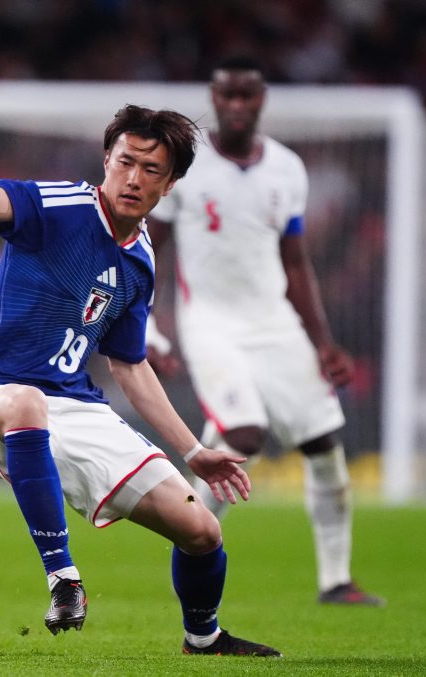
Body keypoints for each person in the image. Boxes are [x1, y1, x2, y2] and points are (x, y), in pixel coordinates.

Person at [0, 104, 281, 656]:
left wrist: (194, 451)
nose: (134, 178)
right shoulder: (63, 207)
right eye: (126, 162)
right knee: (27, 402)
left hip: (75, 406)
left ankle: (203, 638)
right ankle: (64, 579)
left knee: (201, 531)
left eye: (151, 169)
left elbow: (130, 364)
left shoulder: (141, 260)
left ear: (170, 184)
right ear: (107, 160)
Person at [146, 55, 384, 606]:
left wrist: (323, 343)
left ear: (261, 100)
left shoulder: (286, 169)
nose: (236, 105)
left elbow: (295, 261)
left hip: (275, 323)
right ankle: (193, 544)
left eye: (246, 95)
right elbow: (149, 247)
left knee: (323, 445)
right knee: (245, 436)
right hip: (210, 323)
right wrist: (148, 325)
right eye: (226, 95)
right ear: (213, 97)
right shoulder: (186, 166)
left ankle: (336, 581)